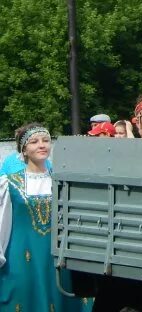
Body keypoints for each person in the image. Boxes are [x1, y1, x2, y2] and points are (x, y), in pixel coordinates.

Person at [0, 123, 89, 311]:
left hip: (57, 254)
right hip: (21, 254)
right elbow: (2, 222)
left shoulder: (62, 180)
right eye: (34, 141)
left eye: (46, 140)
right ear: (24, 149)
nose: (42, 145)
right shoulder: (10, 183)